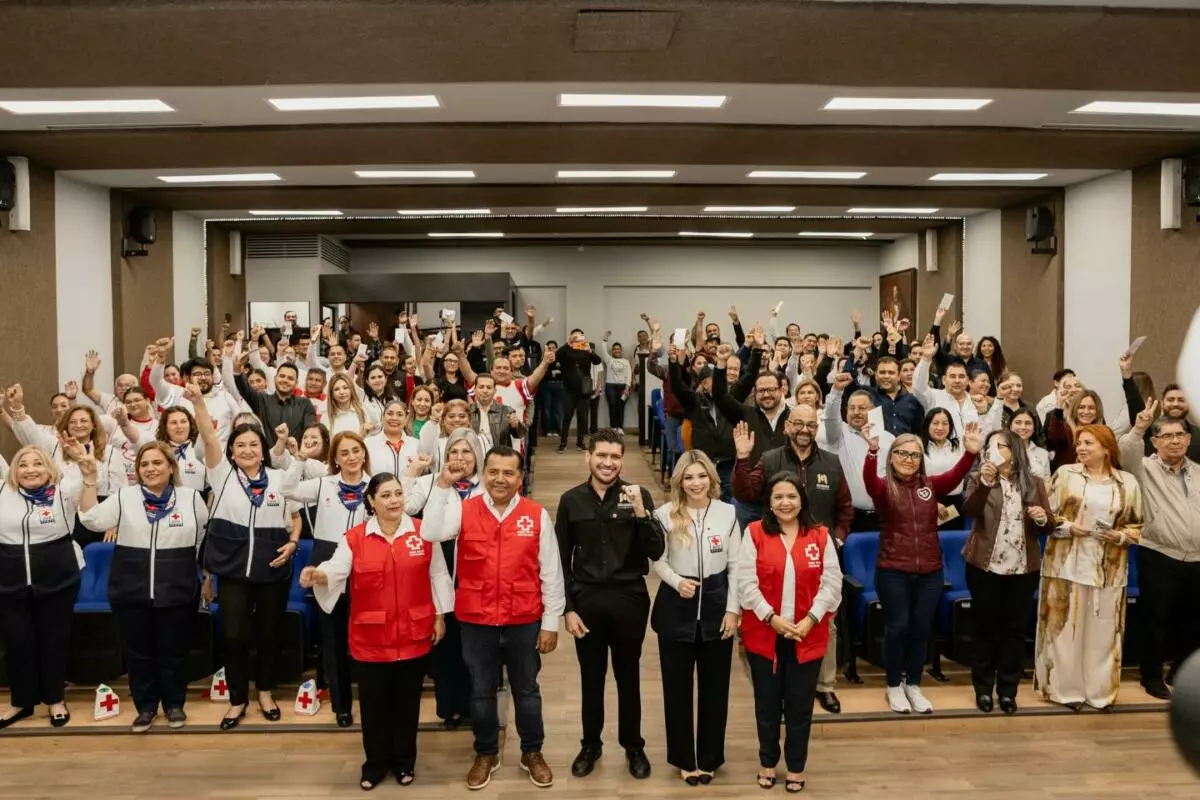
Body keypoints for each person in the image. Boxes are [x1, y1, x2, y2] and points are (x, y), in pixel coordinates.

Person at [421, 445, 564, 790]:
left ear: (520, 477)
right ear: (483, 474)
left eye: (508, 473)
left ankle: (532, 752)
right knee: (481, 692)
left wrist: (550, 622)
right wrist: (442, 483)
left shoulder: (536, 514)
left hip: (524, 618)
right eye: (494, 472)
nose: (500, 479)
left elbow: (551, 571)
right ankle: (486, 753)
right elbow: (430, 532)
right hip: (476, 619)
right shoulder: (463, 509)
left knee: (527, 691)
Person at [300, 473, 453, 789]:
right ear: (371, 501)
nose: (394, 500)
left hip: (413, 633)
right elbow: (337, 567)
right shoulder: (355, 537)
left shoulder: (424, 532)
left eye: (398, 493)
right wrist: (319, 574)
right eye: (386, 495)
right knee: (373, 706)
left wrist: (440, 616)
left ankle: (404, 762)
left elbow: (438, 574)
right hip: (371, 639)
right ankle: (375, 765)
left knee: (407, 704)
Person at [554, 428, 665, 780]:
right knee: (592, 677)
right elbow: (559, 558)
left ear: (622, 459)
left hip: (629, 598)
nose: (608, 462)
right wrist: (567, 609)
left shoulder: (638, 494)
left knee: (628, 677)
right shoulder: (571, 500)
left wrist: (641, 512)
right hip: (587, 600)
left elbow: (655, 551)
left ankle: (634, 746)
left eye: (615, 456)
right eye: (601, 455)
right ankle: (590, 744)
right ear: (588, 456)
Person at [77, 441, 209, 731]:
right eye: (144, 464)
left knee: (173, 650)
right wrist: (89, 481)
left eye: (157, 463)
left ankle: (174, 705)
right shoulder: (124, 496)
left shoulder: (191, 498)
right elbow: (91, 519)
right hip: (130, 587)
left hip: (177, 587)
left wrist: (200, 575)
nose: (150, 469)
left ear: (171, 467)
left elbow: (200, 537)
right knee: (138, 652)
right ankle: (146, 707)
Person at [191, 384, 301, 730]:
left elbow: (295, 517)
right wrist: (197, 402)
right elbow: (209, 437)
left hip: (273, 569)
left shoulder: (281, 479)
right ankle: (238, 699)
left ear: (263, 449)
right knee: (235, 636)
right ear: (232, 452)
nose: (249, 449)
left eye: (255, 444)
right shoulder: (221, 476)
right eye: (241, 445)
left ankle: (265, 692)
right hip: (233, 571)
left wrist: (294, 542)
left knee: (268, 635)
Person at [731, 403, 853, 712]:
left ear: (817, 428)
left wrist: (836, 540)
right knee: (780, 618)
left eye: (810, 424)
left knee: (825, 621)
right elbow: (745, 492)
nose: (804, 429)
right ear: (787, 426)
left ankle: (825, 686)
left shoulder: (832, 462)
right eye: (798, 423)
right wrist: (743, 458)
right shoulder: (770, 459)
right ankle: (784, 686)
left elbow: (846, 507)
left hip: (816, 555)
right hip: (778, 551)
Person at [863, 424, 981, 714]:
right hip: (893, 569)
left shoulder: (930, 486)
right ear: (892, 457)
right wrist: (872, 451)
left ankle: (914, 684)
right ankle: (893, 685)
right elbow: (869, 482)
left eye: (915, 455)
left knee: (921, 628)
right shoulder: (883, 487)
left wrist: (970, 453)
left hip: (930, 570)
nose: (908, 459)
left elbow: (955, 476)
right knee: (898, 626)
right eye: (902, 453)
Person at [737, 472, 842, 794]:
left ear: (802, 500)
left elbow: (832, 583)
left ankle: (796, 766)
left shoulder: (820, 536)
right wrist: (772, 619)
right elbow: (745, 583)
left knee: (799, 707)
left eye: (792, 497)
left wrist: (810, 619)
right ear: (769, 502)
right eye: (778, 497)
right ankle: (768, 762)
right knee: (767, 705)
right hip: (765, 635)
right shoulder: (754, 533)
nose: (785, 503)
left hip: (806, 635)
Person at [1036, 424, 1143, 710]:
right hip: (1065, 564)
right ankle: (1065, 691)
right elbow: (1046, 517)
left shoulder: (1127, 482)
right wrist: (1069, 528)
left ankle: (1100, 693)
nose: (1081, 448)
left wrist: (1119, 536)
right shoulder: (1065, 475)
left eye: (1088, 443)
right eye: (1079, 443)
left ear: (1106, 448)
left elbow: (1137, 526)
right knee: (1065, 631)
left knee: (1103, 633)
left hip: (1109, 568)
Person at [651, 451, 739, 785]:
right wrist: (676, 581)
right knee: (677, 689)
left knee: (715, 689)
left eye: (701, 476)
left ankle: (710, 757)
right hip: (676, 609)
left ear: (712, 479)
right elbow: (656, 559)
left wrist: (733, 610)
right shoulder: (665, 515)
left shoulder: (728, 513)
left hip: (717, 609)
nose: (695, 483)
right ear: (679, 482)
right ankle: (685, 759)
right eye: (688, 477)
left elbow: (737, 566)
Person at [279, 430, 372, 728]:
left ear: (364, 454)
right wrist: (301, 459)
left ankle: (373, 701)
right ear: (335, 459)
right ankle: (341, 705)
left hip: (366, 562)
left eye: (356, 450)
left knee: (367, 638)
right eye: (344, 453)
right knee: (332, 640)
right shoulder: (323, 485)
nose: (351, 457)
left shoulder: (375, 486)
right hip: (326, 562)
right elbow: (286, 489)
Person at [960, 429, 1052, 714]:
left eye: (999, 445)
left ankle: (1008, 691)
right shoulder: (979, 478)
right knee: (985, 628)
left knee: (1014, 629)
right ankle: (984, 689)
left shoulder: (1034, 483)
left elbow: (1048, 526)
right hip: (984, 565)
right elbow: (969, 510)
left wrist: (1042, 518)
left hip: (1023, 567)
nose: (993, 450)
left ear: (1014, 449)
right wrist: (986, 482)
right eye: (990, 446)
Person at [1118, 401, 1200, 700]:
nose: (1175, 441)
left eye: (1180, 435)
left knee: (1194, 621)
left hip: (1197, 558)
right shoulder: (1145, 467)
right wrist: (1139, 427)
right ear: (1155, 441)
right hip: (1160, 553)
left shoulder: (1198, 472)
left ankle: (1181, 671)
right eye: (1167, 436)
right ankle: (1150, 676)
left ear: (1189, 439)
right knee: (1156, 620)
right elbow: (1124, 451)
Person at [0, 445, 83, 729]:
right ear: (14, 471)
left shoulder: (63, 493)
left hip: (57, 581)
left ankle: (55, 700)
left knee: (54, 642)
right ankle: (20, 703)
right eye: (23, 464)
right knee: (18, 643)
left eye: (38, 463)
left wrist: (86, 464)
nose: (31, 469)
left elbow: (88, 480)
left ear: (49, 469)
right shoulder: (2, 492)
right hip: (9, 584)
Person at [823, 373, 894, 532]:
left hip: (885, 516)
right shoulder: (838, 434)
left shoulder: (888, 438)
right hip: (850, 517)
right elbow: (830, 417)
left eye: (862, 408)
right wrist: (836, 391)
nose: (856, 412)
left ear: (874, 410)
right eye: (852, 408)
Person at [231, 360, 317, 449]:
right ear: (275, 378)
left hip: (295, 459)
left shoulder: (305, 404)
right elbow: (244, 388)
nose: (285, 380)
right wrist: (237, 371)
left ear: (296, 384)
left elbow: (311, 432)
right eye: (282, 376)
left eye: (290, 378)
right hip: (266, 460)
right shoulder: (261, 400)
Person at [556, 329, 603, 453]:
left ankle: (580, 442)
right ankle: (563, 442)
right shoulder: (566, 350)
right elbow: (556, 356)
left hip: (583, 390)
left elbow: (598, 361)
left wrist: (589, 350)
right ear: (571, 337)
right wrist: (567, 343)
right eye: (575, 336)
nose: (577, 338)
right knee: (567, 416)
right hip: (568, 389)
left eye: (580, 336)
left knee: (583, 417)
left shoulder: (586, 350)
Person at [1046, 389, 1105, 471]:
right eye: (1081, 407)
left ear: (1097, 411)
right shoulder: (1066, 430)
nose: (1086, 412)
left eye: (1091, 408)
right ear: (1075, 409)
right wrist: (1059, 405)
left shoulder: (1103, 433)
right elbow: (1055, 434)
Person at [365, 400, 420, 478]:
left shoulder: (416, 444)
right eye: (390, 413)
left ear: (406, 418)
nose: (394, 418)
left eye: (400, 414)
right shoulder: (368, 444)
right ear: (383, 417)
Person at [598, 333, 633, 430]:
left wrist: (627, 388)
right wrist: (605, 339)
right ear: (612, 351)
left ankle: (620, 428)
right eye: (615, 349)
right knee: (613, 407)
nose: (617, 351)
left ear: (621, 351)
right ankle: (613, 427)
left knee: (620, 407)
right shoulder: (609, 360)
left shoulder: (626, 361)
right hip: (611, 386)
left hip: (623, 387)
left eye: (619, 349)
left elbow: (629, 375)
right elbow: (603, 351)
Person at [1008, 407, 1052, 483]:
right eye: (1018, 422)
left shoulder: (1043, 454)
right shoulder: (1002, 449)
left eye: (1028, 423)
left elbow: (1047, 483)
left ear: (1034, 428)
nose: (1023, 427)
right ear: (1010, 426)